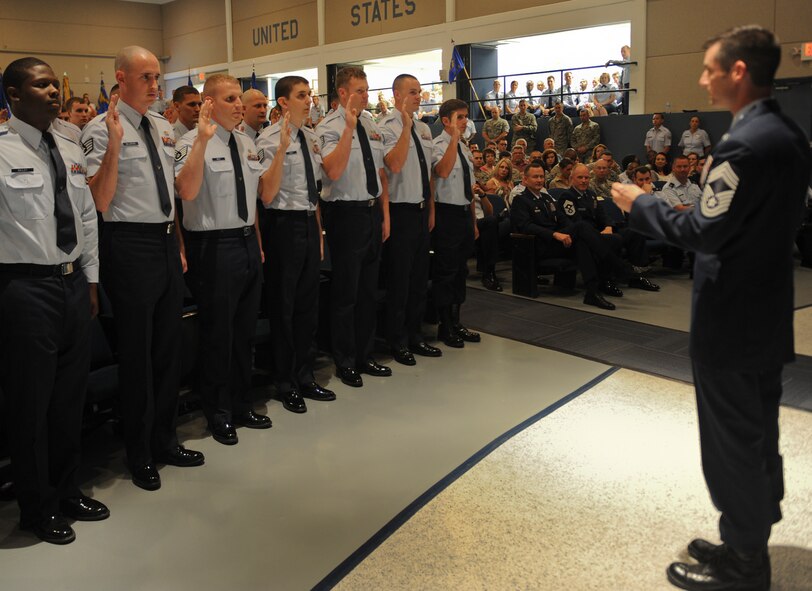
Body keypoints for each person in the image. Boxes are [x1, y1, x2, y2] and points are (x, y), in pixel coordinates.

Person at [612, 25, 810, 591]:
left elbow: (704, 228)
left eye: (709, 70)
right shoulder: (786, 132)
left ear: (739, 72)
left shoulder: (744, 144)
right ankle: (747, 534)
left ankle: (746, 563)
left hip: (733, 317)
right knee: (754, 429)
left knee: (732, 439)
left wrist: (641, 203)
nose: (702, 80)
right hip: (765, 307)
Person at [82, 46, 204, 492]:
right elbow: (100, 198)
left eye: (158, 77)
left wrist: (177, 241)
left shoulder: (162, 127)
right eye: (147, 77)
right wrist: (114, 144)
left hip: (164, 243)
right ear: (122, 78)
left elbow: (175, 192)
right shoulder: (100, 129)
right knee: (137, 356)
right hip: (128, 247)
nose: (156, 85)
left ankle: (165, 440)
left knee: (168, 350)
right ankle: (139, 452)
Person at [0, 57, 109, 546]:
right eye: (40, 85)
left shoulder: (67, 147)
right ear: (14, 96)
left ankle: (67, 490)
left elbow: (85, 218)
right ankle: (35, 506)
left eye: (53, 84)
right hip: (24, 289)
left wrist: (89, 280)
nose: (52, 91)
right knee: (32, 404)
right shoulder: (0, 152)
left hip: (70, 285)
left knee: (69, 398)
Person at [174, 74, 270, 439]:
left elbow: (253, 201)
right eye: (230, 99)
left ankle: (243, 403)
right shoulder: (189, 141)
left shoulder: (247, 142)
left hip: (246, 242)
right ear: (210, 104)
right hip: (213, 246)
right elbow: (185, 190)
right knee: (218, 334)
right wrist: (201, 140)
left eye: (238, 99)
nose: (239, 105)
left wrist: (257, 242)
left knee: (244, 332)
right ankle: (218, 411)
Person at [256, 76, 336, 410]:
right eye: (302, 96)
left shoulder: (312, 137)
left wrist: (317, 232)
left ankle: (305, 375)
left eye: (310, 95)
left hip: (306, 223)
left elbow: (313, 192)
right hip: (283, 226)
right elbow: (266, 194)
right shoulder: (268, 139)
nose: (309, 100)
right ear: (283, 103)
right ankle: (285, 379)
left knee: (307, 306)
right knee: (284, 308)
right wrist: (281, 148)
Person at [317, 66, 391, 388]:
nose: (366, 95)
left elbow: (382, 173)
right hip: (345, 215)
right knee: (346, 294)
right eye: (360, 90)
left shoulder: (371, 123)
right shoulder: (328, 127)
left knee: (367, 291)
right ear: (343, 93)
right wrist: (348, 128)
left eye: (367, 89)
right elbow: (332, 171)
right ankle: (344, 360)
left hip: (371, 212)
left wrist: (385, 215)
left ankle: (365, 354)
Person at [378, 74, 442, 365]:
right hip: (399, 212)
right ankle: (397, 340)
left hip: (419, 210)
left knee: (418, 279)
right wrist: (405, 129)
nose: (418, 96)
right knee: (400, 281)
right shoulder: (385, 127)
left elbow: (427, 172)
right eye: (412, 92)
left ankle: (416, 336)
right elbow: (393, 165)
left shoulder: (426, 128)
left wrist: (430, 208)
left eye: (420, 92)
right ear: (396, 96)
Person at [432, 99, 481, 347]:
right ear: (446, 121)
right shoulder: (439, 144)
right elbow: (442, 171)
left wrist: (472, 221)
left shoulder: (464, 147)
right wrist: (452, 139)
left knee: (461, 270)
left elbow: (469, 189)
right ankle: (444, 325)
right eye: (459, 117)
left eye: (465, 117)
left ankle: (457, 321)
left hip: (462, 213)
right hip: (445, 214)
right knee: (446, 271)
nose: (465, 122)